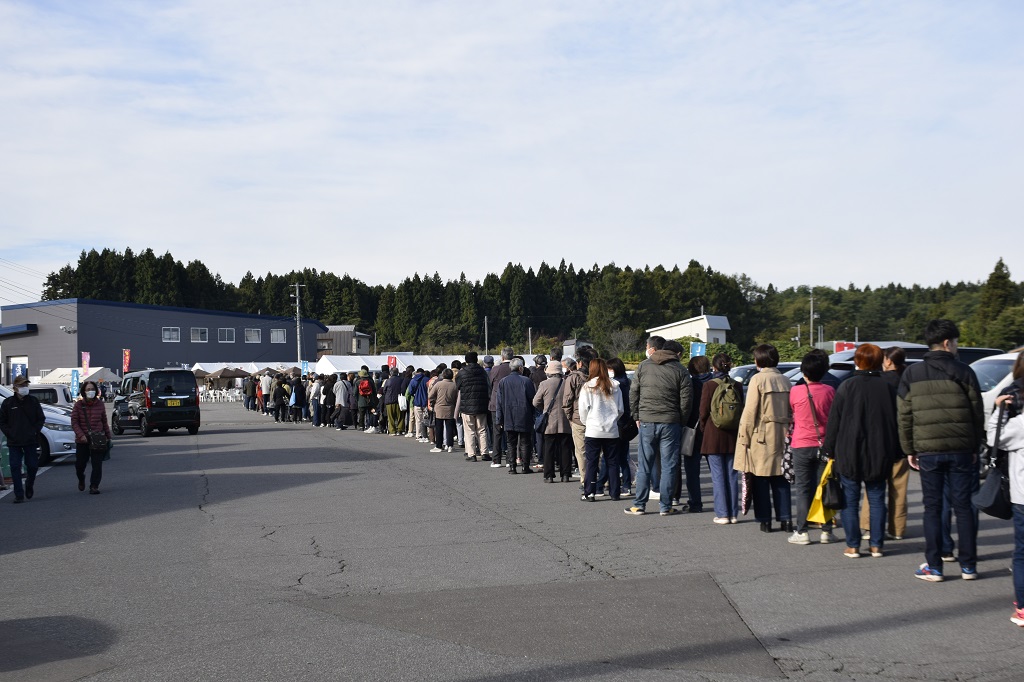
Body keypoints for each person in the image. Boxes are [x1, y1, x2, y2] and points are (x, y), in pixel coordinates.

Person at [898, 320, 984, 582]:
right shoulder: (965, 371)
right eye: (956, 342)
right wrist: (974, 445)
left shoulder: (912, 374)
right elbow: (977, 413)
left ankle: (934, 567)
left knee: (933, 508)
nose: (957, 347)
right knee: (964, 507)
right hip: (961, 449)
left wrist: (909, 449)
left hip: (928, 450)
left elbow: (904, 416)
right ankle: (968, 566)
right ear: (947, 343)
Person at [823, 344, 900, 558]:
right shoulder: (887, 387)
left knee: (850, 499)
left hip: (849, 450)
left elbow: (834, 422)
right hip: (880, 450)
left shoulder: (847, 386)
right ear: (879, 361)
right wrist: (897, 450)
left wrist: (829, 449)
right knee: (876, 498)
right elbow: (896, 422)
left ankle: (853, 545)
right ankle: (876, 545)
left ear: (857, 361)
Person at [625, 335, 692, 517]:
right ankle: (666, 506)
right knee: (669, 466)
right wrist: (681, 420)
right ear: (676, 353)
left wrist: (636, 415)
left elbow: (634, 393)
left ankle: (639, 505)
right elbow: (686, 400)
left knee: (645, 465)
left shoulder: (643, 366)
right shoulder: (680, 370)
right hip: (671, 422)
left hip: (647, 420)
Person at [735, 344, 792, 532]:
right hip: (783, 434)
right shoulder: (785, 380)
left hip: (762, 435)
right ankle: (786, 519)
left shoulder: (757, 380)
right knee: (781, 478)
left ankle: (765, 520)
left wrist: (744, 437)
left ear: (759, 360)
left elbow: (750, 411)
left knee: (760, 479)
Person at [986, 354, 1024, 625]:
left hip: (1022, 494)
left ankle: (1023, 608)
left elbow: (993, 438)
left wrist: (999, 409)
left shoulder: (1020, 423)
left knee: (1022, 552)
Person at [860, 347, 911, 540]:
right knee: (899, 489)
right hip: (901, 443)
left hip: (877, 442)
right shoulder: (907, 381)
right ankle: (897, 529)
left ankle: (869, 526)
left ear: (888, 361)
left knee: (874, 486)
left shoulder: (878, 382)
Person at [787, 350, 837, 545]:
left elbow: (793, 412)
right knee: (823, 487)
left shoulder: (795, 391)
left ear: (803, 371)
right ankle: (826, 531)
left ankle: (802, 531)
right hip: (824, 445)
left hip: (801, 444)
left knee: (803, 489)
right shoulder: (830, 391)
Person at [700, 353, 743, 525]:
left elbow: (703, 412)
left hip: (713, 434)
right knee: (732, 475)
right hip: (733, 435)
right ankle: (733, 514)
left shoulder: (709, 385)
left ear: (714, 367)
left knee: (718, 476)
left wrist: (704, 428)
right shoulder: (737, 385)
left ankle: (722, 514)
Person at [579, 358, 623, 501]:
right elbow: (620, 409)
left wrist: (587, 423)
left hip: (593, 429)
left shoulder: (587, 387)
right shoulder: (615, 386)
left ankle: (590, 492)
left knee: (592, 462)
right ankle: (615, 492)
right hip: (611, 430)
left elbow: (583, 410)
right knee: (613, 462)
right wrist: (613, 420)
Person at [0, 375, 45, 503]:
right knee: (15, 467)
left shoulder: (33, 401)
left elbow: (41, 418)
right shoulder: (8, 403)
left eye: (25, 385)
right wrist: (10, 433)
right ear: (15, 387)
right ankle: (19, 494)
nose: (24, 387)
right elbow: (2, 421)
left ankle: (29, 484)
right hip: (14, 441)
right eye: (21, 385)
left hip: (30, 440)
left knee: (32, 466)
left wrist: (35, 431)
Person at [495, 358, 537, 474]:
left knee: (511, 443)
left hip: (508, 415)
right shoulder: (527, 381)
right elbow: (532, 400)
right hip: (525, 415)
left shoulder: (503, 382)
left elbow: (499, 402)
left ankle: (512, 467)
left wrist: (499, 419)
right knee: (525, 442)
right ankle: (525, 467)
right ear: (520, 368)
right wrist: (534, 415)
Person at [71, 380, 113, 495]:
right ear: (84, 391)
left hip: (98, 438)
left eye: (93, 389)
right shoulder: (78, 405)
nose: (91, 391)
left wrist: (108, 437)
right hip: (82, 440)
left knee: (97, 464)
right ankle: (81, 478)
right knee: (80, 465)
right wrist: (81, 435)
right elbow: (74, 422)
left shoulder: (100, 404)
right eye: (88, 389)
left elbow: (104, 421)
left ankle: (94, 486)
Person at [563, 346, 598, 483]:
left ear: (580, 363)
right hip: (596, 418)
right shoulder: (598, 377)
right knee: (599, 451)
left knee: (581, 452)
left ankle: (585, 480)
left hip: (578, 419)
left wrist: (570, 418)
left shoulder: (573, 378)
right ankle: (602, 479)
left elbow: (567, 401)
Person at [683, 355, 712, 512]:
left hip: (693, 430)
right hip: (713, 431)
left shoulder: (690, 384)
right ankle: (724, 502)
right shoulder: (716, 382)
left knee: (692, 470)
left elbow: (685, 406)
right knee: (716, 470)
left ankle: (695, 503)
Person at [601, 358, 634, 495]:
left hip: (616, 423)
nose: (608, 371)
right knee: (623, 457)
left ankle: (600, 484)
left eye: (610, 369)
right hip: (625, 423)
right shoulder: (627, 382)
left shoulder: (616, 385)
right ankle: (626, 485)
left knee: (607, 457)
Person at [534, 359, 571, 482]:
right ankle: (565, 474)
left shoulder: (544, 384)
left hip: (549, 421)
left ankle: (549, 475)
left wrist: (544, 408)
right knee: (565, 448)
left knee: (548, 449)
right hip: (565, 420)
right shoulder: (566, 383)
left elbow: (535, 402)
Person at [456, 352, 490, 461]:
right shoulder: (483, 372)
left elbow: (457, 386)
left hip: (467, 405)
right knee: (482, 429)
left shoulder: (462, 373)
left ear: (466, 361)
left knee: (469, 430)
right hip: (481, 404)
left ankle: (471, 454)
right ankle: (484, 453)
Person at [487, 348, 515, 463]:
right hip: (512, 404)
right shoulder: (515, 368)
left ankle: (496, 459)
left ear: (502, 357)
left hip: (496, 403)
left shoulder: (496, 369)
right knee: (510, 433)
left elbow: (489, 385)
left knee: (497, 432)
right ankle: (510, 460)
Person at [428, 369, 458, 453]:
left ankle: (439, 446)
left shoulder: (438, 384)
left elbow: (430, 395)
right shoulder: (454, 385)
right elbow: (457, 397)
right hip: (450, 408)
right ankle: (450, 445)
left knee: (439, 428)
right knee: (449, 428)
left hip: (439, 408)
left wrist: (434, 400)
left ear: (443, 375)